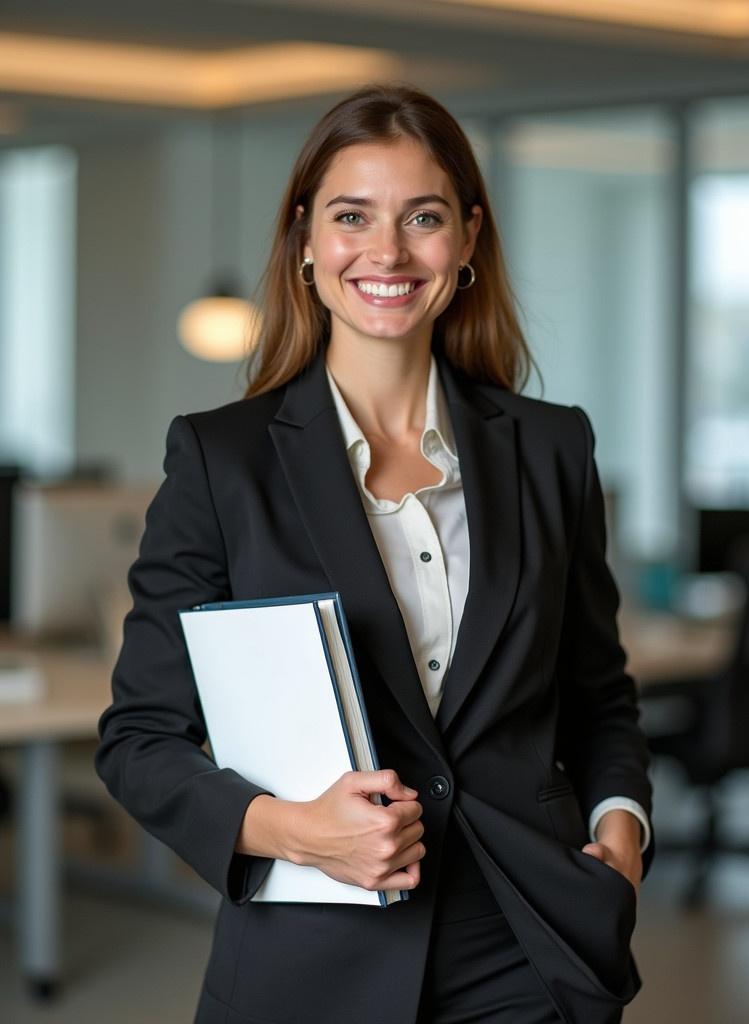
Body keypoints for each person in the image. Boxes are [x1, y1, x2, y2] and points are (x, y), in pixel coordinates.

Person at [95, 83, 653, 1024]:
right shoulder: (219, 458)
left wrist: (622, 831)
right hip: (312, 956)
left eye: (423, 217)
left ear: (467, 239)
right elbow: (140, 741)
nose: (387, 252)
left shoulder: (553, 446)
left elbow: (596, 691)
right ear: (305, 239)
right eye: (353, 216)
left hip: (529, 946)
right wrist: (299, 833)